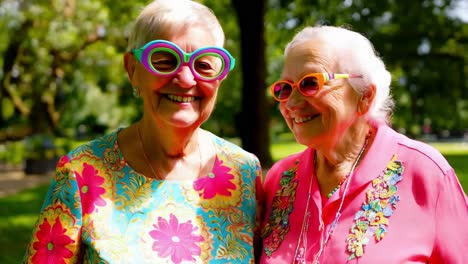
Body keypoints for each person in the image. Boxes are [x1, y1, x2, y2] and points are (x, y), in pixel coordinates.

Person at [24, 0, 264, 263]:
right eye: (164, 61)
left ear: (220, 77)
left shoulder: (244, 172)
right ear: (132, 69)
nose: (186, 79)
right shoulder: (82, 172)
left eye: (204, 65)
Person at [260, 25, 468, 263]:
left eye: (310, 83)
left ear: (365, 96)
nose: (293, 102)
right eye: (285, 88)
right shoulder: (280, 178)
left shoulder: (426, 173)